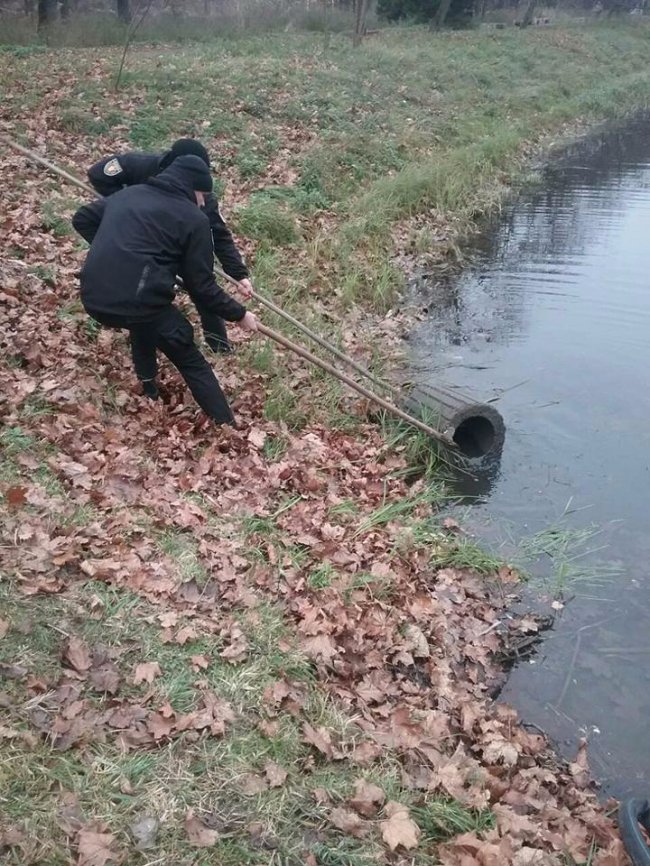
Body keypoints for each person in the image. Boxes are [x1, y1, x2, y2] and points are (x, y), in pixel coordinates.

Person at [72, 154, 258, 426]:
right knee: (188, 355)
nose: (203, 202)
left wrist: (116, 248)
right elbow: (202, 287)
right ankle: (227, 426)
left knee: (145, 321)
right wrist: (240, 315)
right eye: (202, 195)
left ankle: (148, 386)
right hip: (134, 301)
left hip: (93, 296)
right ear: (192, 187)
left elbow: (82, 218)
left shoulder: (129, 194)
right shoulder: (193, 219)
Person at [86, 138, 252, 354]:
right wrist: (122, 204)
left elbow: (219, 234)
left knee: (202, 287)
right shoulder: (140, 165)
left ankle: (219, 346)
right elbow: (98, 173)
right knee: (142, 299)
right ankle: (145, 345)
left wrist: (238, 274)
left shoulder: (202, 196)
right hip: (138, 245)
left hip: (178, 245)